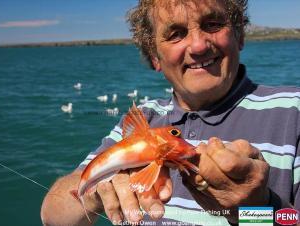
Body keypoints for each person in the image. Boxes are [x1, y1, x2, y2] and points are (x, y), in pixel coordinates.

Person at [41, 0, 300, 225]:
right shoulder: (144, 118)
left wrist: (253, 211)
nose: (198, 46)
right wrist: (93, 196)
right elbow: (52, 216)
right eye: (176, 33)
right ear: (154, 57)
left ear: (240, 34)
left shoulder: (293, 112)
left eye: (212, 23)